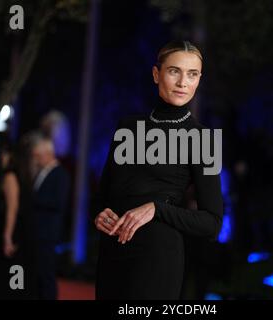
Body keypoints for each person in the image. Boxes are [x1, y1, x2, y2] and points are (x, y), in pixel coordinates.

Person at [93, 40, 224, 299]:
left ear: (199, 80)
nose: (182, 82)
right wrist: (99, 214)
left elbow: (212, 223)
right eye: (174, 71)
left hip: (157, 259)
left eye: (192, 74)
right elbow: (104, 195)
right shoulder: (128, 127)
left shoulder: (203, 140)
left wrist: (156, 208)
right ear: (156, 74)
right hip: (113, 254)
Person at [0, 142, 36, 299]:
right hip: (20, 235)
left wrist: (7, 238)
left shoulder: (10, 176)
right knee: (16, 281)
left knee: (9, 281)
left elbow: (12, 208)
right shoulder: (24, 176)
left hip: (12, 237)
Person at [31, 136, 69, 300]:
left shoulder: (60, 174)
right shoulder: (42, 172)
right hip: (38, 232)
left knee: (46, 274)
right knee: (37, 273)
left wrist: (31, 200)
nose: (36, 160)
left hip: (47, 233)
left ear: (48, 154)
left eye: (38, 156)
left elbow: (58, 202)